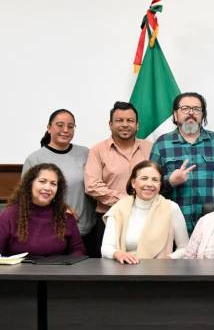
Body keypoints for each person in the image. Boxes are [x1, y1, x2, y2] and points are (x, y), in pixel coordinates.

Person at [150, 92, 214, 234]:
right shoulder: (162, 144)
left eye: (196, 109)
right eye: (185, 108)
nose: (191, 113)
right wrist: (170, 181)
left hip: (213, 225)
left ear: (203, 115)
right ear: (175, 115)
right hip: (173, 226)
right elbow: (149, 185)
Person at [22, 109, 96, 255]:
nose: (65, 130)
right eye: (60, 125)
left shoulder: (86, 153)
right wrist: (59, 207)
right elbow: (26, 196)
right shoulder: (35, 159)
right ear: (49, 127)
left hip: (88, 231)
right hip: (53, 234)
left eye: (70, 126)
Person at [85, 101, 152, 256]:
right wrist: (126, 201)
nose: (125, 124)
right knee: (107, 266)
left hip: (146, 218)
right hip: (109, 218)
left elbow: (157, 179)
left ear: (137, 125)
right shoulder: (97, 150)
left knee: (146, 264)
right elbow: (92, 185)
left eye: (130, 120)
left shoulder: (150, 148)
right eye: (119, 120)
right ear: (110, 124)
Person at [101, 161, 189, 264]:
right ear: (133, 183)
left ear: (160, 185)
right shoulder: (119, 208)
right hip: (125, 269)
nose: (149, 184)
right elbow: (106, 248)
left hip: (160, 269)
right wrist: (118, 254)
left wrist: (169, 258)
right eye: (144, 178)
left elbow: (185, 248)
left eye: (155, 180)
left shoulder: (171, 208)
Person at [0, 163, 85, 256]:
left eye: (53, 184)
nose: (47, 188)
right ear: (30, 184)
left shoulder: (65, 216)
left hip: (58, 265)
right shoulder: (9, 215)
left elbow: (78, 250)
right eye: (42, 181)